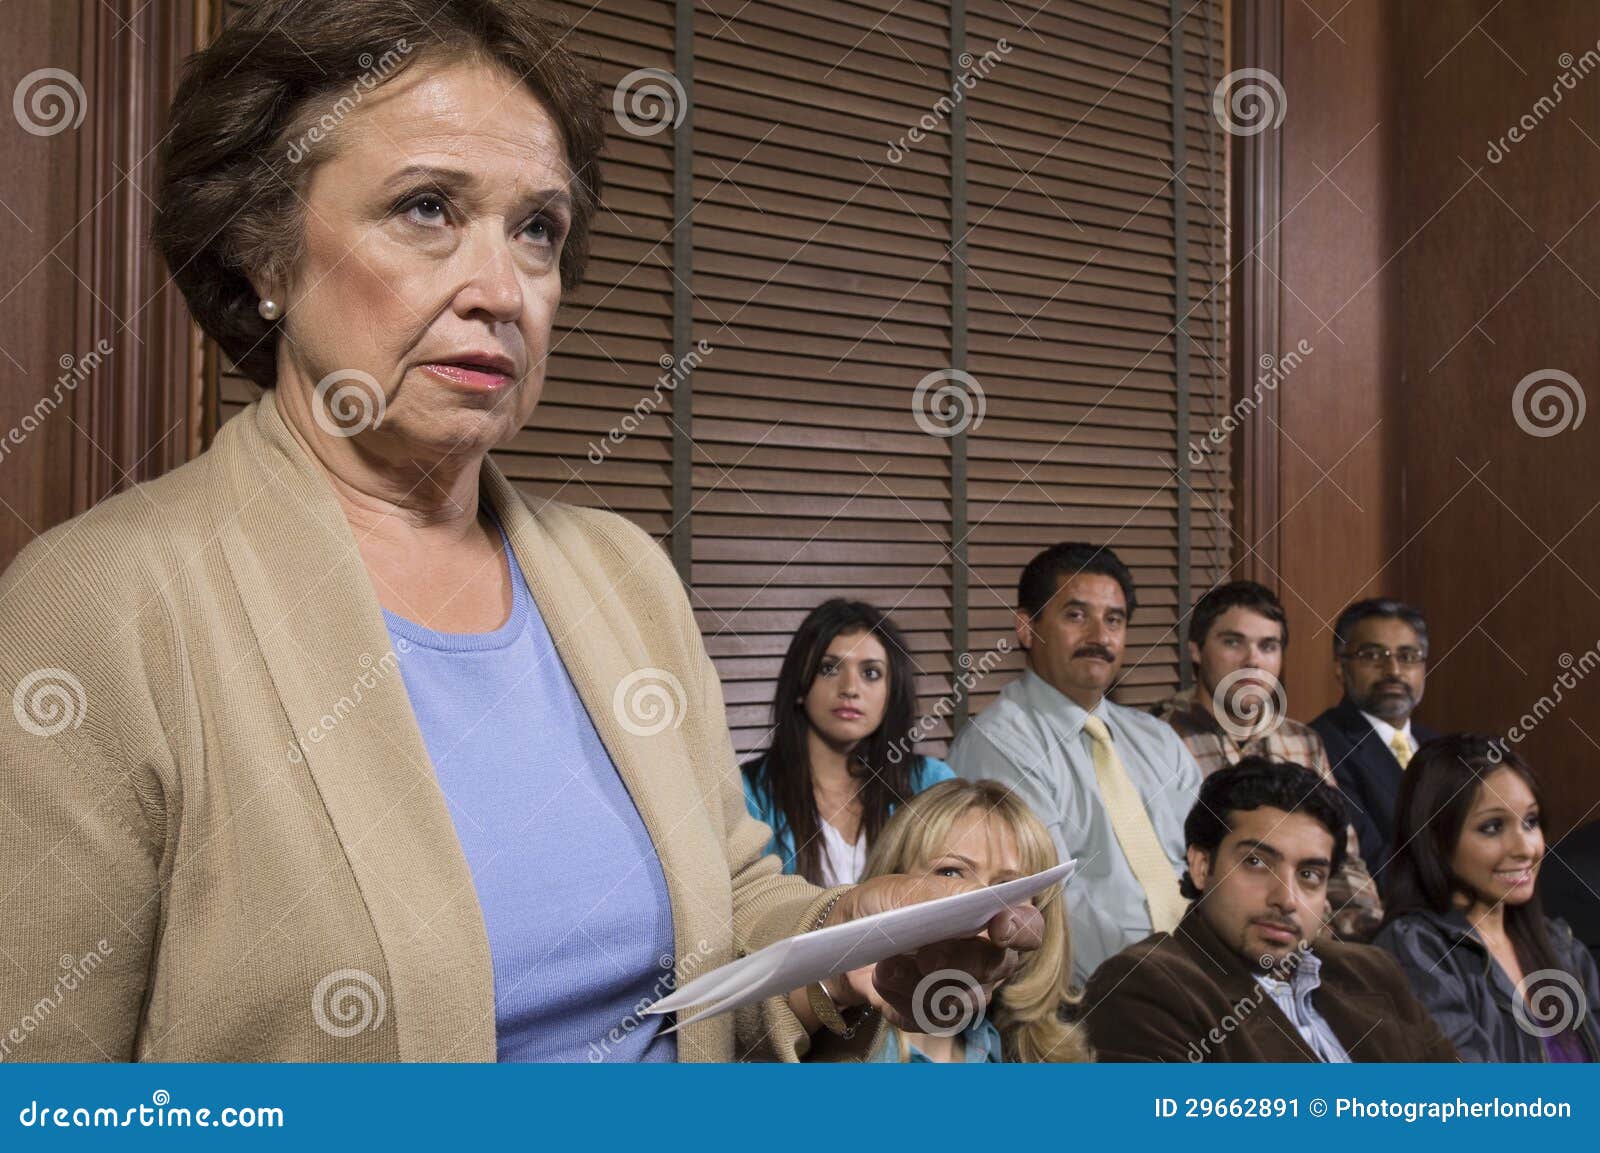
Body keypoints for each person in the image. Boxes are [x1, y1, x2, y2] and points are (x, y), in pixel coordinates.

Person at [0, 0, 1041, 1064]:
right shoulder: (99, 605)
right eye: (425, 208)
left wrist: (844, 938)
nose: (503, 290)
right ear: (265, 257)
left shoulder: (624, 575)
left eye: (536, 227)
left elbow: (726, 901)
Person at [1083, 759, 1456, 1062]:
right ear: (1201, 866)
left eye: (1309, 874)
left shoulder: (1372, 971)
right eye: (1257, 863)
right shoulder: (1145, 985)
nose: (1286, 898)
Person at [949, 542, 1202, 982]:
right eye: (1076, 615)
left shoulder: (1159, 739)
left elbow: (1210, 861)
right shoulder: (1000, 744)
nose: (1100, 638)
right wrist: (1162, 980)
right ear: (1028, 629)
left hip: (1203, 972)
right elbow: (1052, 903)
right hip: (1101, 992)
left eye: (1115, 620)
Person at [1153, 580, 1382, 939]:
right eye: (1233, 642)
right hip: (1203, 942)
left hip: (1304, 937)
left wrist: (1362, 936)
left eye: (1268, 646)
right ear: (1196, 651)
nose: (1252, 661)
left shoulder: (1301, 741)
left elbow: (1342, 860)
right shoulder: (1157, 738)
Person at [1374, 736, 1600, 1061]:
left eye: (1530, 822)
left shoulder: (1560, 944)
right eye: (1493, 827)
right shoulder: (1413, 949)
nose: (1525, 848)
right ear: (1435, 840)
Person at [856, 779, 1092, 1063]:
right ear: (890, 880)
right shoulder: (840, 1045)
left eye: (1008, 886)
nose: (982, 903)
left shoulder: (1035, 1054)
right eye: (951, 873)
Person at [742, 600, 954, 887]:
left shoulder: (932, 784)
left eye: (871, 673)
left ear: (891, 693)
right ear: (800, 686)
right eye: (829, 668)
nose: (850, 689)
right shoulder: (747, 793)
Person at [1310, 598, 1439, 879]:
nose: (1393, 670)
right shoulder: (1321, 745)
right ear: (1340, 669)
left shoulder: (1438, 748)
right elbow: (1367, 862)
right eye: (1371, 655)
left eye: (1407, 656)